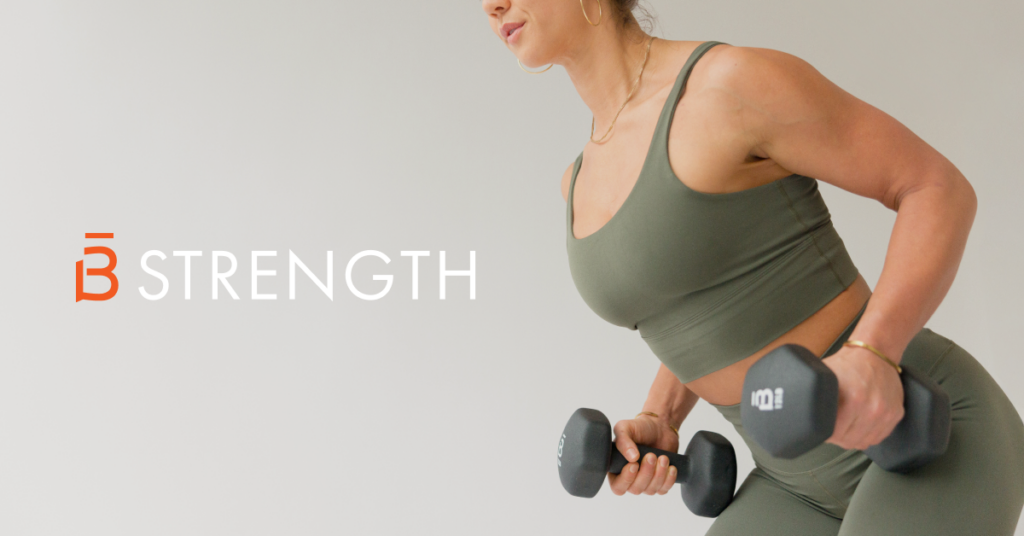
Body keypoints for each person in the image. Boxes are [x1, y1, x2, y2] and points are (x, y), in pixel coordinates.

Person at [481, 1, 1024, 534]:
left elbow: (935, 188)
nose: (490, 5)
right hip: (791, 479)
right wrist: (661, 416)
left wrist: (874, 352)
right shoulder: (576, 181)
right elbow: (694, 292)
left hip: (919, 429)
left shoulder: (728, 87)